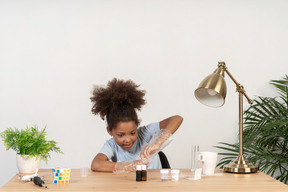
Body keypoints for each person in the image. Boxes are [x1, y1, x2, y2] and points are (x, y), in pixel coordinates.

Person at [90, 78, 183, 172]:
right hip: (128, 186)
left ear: (137, 127)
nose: (127, 139)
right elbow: (96, 164)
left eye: (132, 133)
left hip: (156, 184)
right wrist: (127, 166)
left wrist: (158, 143)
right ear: (109, 131)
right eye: (121, 135)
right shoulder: (111, 145)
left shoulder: (144, 134)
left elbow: (177, 119)